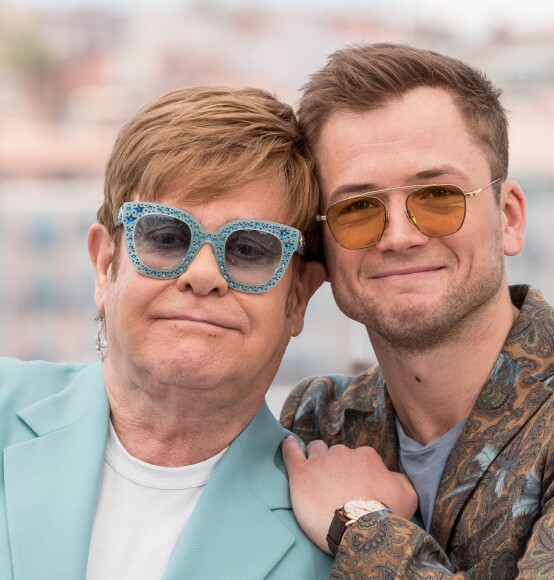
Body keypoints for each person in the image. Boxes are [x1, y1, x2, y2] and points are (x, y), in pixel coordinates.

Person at [0, 86, 332, 579]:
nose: (203, 275)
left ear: (299, 297)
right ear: (105, 265)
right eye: (166, 237)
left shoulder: (348, 541)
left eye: (249, 249)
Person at [281, 43, 554, 578]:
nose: (398, 236)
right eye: (357, 208)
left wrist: (361, 525)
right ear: (321, 246)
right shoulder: (317, 425)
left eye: (438, 196)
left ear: (508, 217)